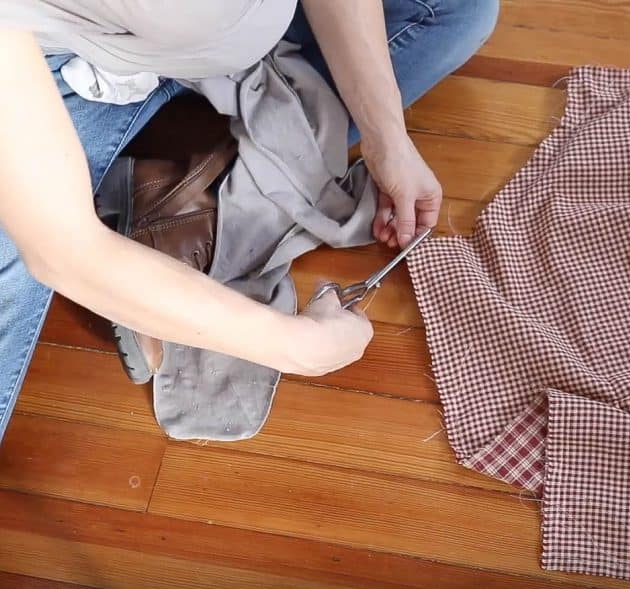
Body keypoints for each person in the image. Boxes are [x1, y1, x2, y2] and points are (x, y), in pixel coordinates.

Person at [0, 1, 499, 437]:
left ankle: (187, 186)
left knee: (457, 10)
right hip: (50, 77)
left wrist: (387, 139)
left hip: (229, 46)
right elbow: (62, 249)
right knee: (16, 257)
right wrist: (287, 344)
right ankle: (197, 190)